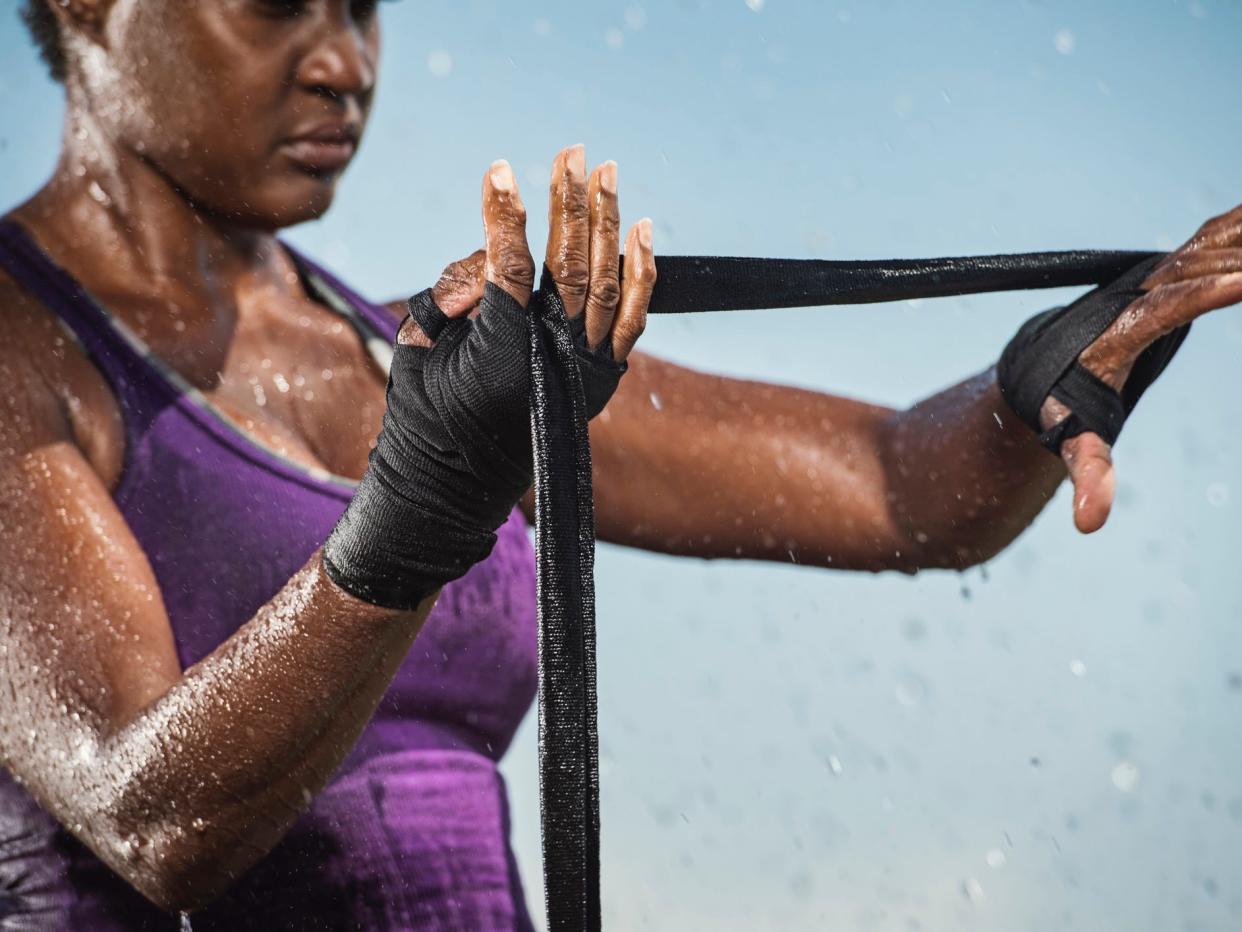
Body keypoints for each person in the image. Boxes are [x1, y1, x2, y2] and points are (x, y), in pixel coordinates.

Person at [2, 1, 1240, 930]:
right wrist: (419, 509)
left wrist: (1025, 389)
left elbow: (901, 489)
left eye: (363, 4)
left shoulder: (416, 360)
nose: (345, 63)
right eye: (279, 2)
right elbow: (146, 819)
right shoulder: (23, 354)